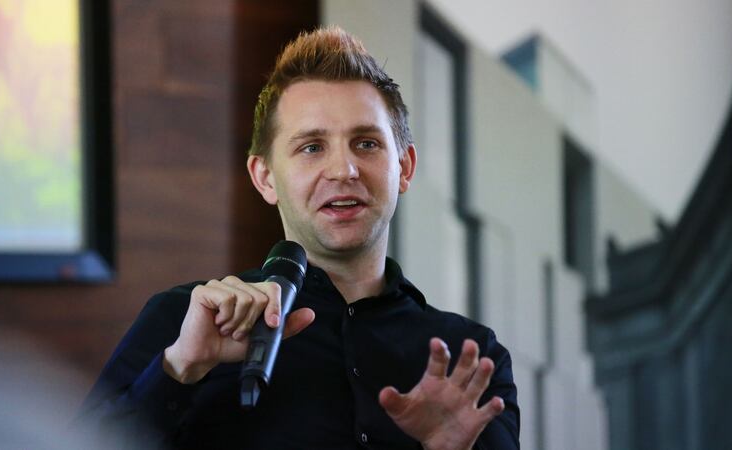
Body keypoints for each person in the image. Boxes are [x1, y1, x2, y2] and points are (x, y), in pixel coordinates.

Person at [77, 26, 520, 449]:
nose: (344, 170)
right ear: (265, 177)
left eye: (366, 143)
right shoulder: (182, 321)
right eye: (312, 147)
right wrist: (179, 368)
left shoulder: (472, 361)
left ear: (403, 168)